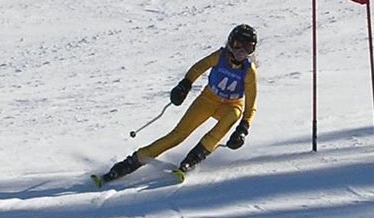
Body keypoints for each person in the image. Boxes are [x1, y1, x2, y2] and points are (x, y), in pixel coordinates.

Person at [100, 24, 258, 182]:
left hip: (231, 105)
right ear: (230, 43)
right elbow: (198, 68)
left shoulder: (249, 71)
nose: (241, 52)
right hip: (208, 100)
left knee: (234, 114)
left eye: (248, 48)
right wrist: (185, 84)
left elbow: (251, 104)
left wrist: (243, 128)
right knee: (177, 135)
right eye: (238, 45)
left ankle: (193, 159)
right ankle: (131, 162)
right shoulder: (220, 56)